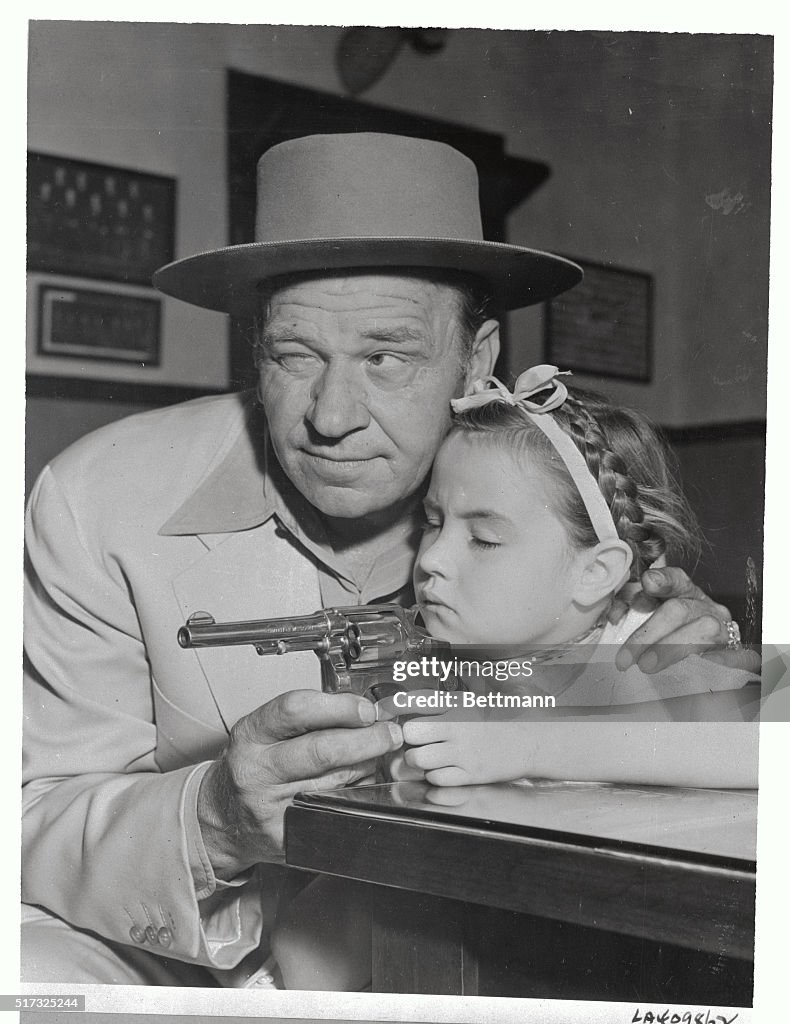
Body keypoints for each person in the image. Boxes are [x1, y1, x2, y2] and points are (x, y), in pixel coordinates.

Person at [22, 133, 755, 986]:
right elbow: (34, 816)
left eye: (387, 357)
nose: (332, 416)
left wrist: (669, 646)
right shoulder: (102, 496)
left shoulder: (531, 484)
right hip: (174, 956)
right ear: (255, 350)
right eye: (295, 356)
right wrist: (217, 817)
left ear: (476, 363)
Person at [270, 365, 759, 992]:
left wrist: (530, 743)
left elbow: (768, 748)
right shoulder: (453, 657)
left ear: (595, 573)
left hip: (635, 951)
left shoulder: (649, 644)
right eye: (435, 522)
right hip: (493, 937)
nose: (432, 561)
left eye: (485, 539)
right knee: (307, 941)